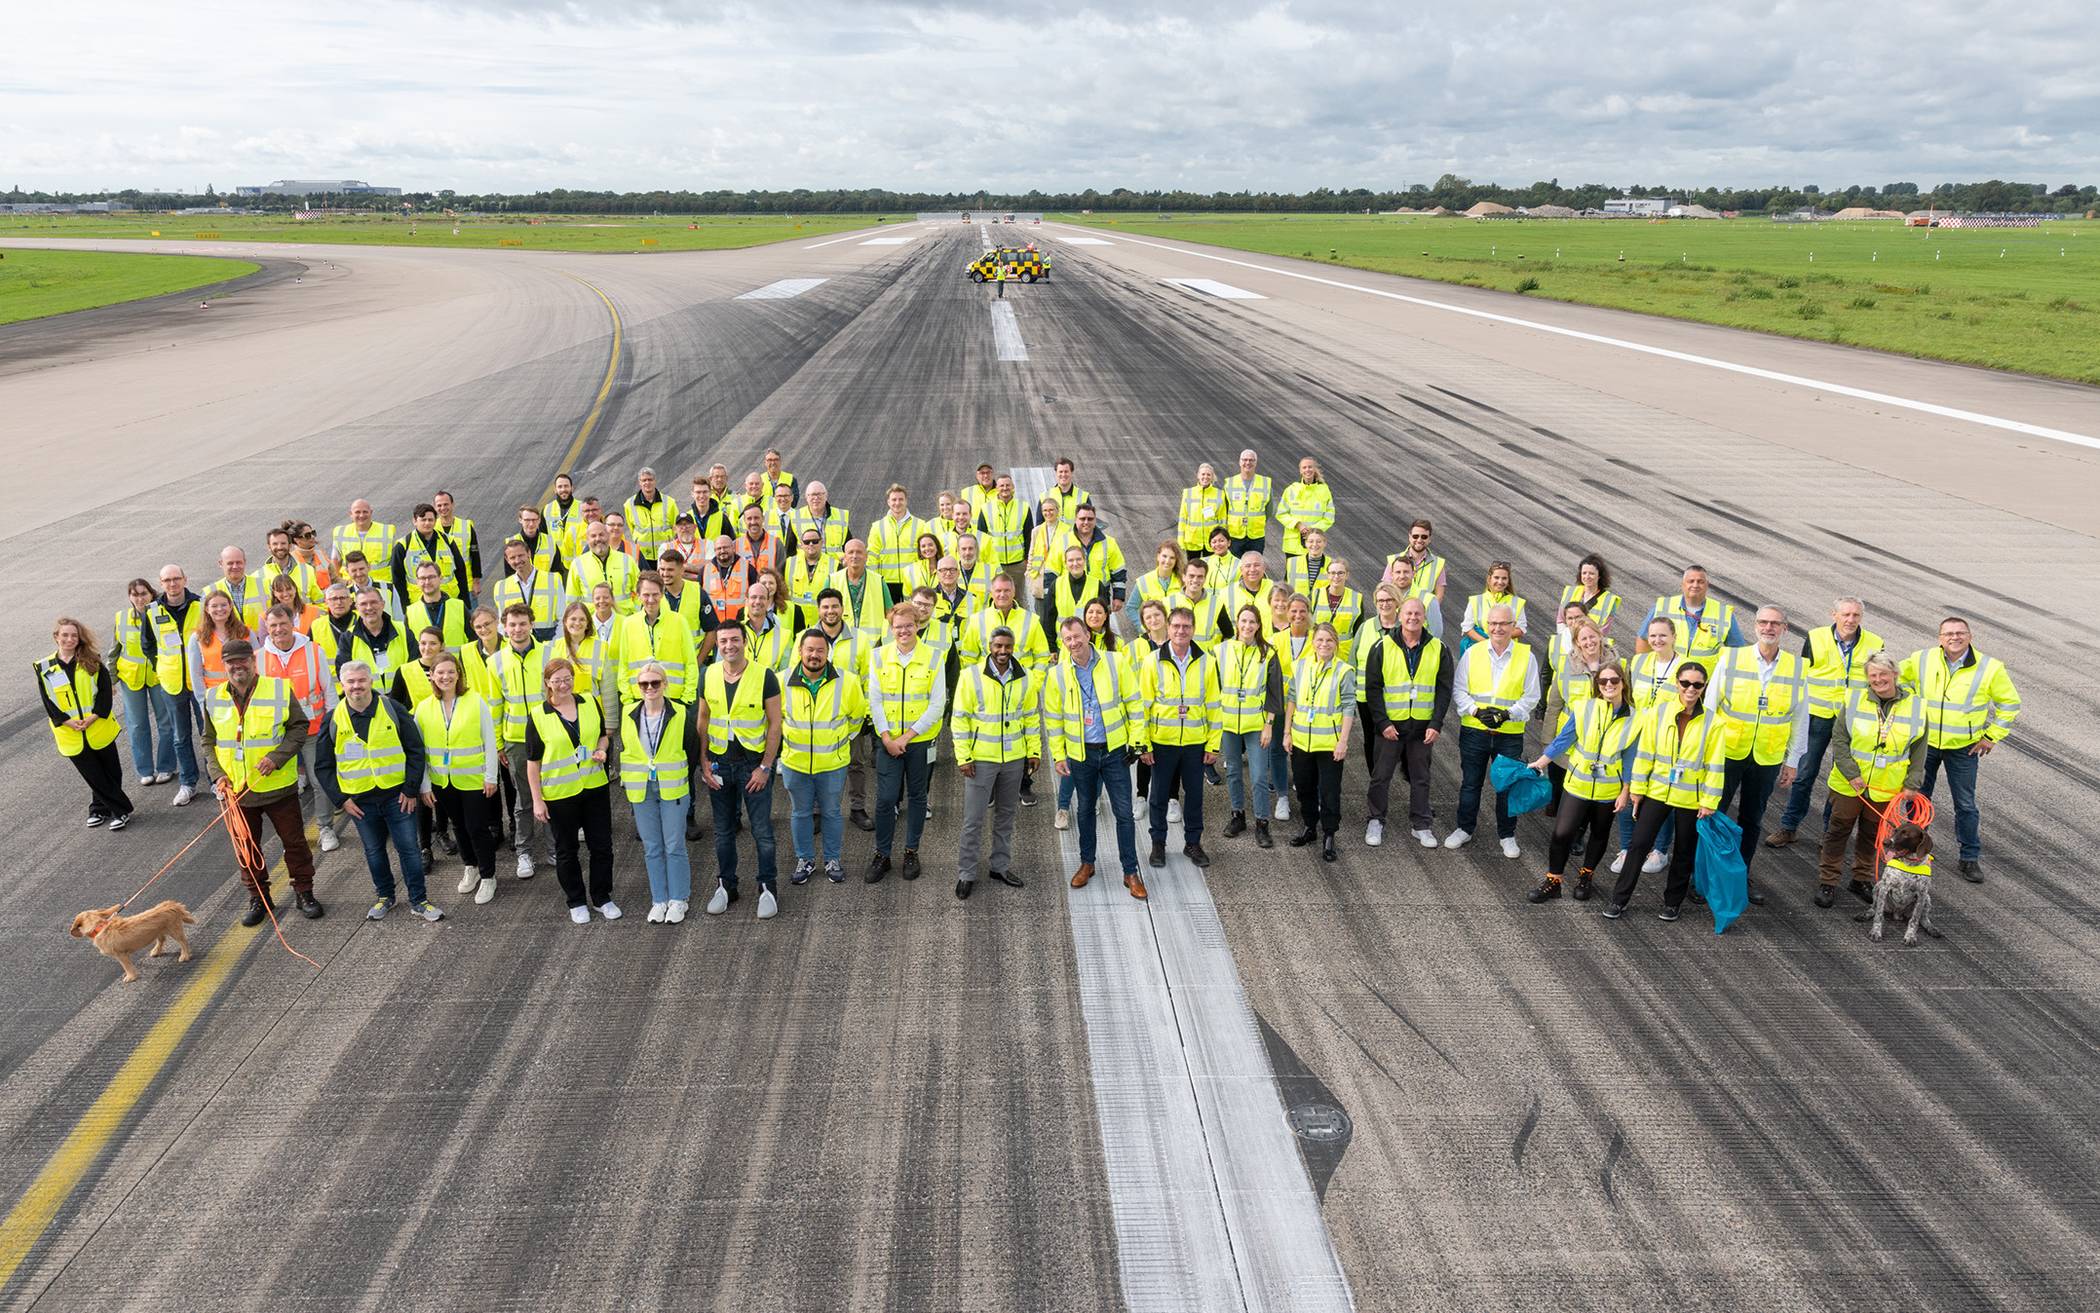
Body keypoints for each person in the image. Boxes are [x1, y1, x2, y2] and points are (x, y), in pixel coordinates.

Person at [200, 640, 321, 924]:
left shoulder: (278, 689)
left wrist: (276, 757)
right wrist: (218, 775)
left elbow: (299, 727)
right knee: (246, 849)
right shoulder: (213, 697)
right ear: (224, 665)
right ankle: (259, 898)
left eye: (243, 660)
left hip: (277, 787)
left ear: (253, 662)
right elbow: (208, 740)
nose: (237, 666)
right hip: (237, 792)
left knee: (294, 843)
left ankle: (304, 892)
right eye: (231, 662)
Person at [316, 661, 442, 923]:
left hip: (397, 797)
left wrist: (410, 790)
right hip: (360, 802)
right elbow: (324, 766)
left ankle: (419, 901)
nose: (356, 686)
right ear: (342, 684)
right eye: (350, 681)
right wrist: (342, 799)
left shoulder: (392, 709)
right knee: (374, 852)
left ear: (370, 681)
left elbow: (415, 751)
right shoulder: (333, 719)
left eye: (361, 680)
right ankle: (385, 897)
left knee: (409, 849)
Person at [1900, 617, 2021, 882]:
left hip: (1963, 748)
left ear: (1970, 636)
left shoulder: (1990, 667)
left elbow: (2010, 704)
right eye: (1948, 633)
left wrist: (1991, 736)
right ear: (1939, 637)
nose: (1954, 637)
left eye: (1960, 633)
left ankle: (1969, 858)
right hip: (1925, 744)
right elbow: (1899, 680)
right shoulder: (1922, 659)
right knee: (1918, 801)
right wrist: (1913, 706)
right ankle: (1913, 853)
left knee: (1965, 804)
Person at [1605, 659, 1724, 922]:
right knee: (1638, 845)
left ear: (1704, 688)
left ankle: (1672, 903)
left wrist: (1709, 801)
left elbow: (1715, 765)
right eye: (1685, 683)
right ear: (1676, 683)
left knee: (1684, 851)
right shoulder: (1657, 714)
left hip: (1691, 798)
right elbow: (1644, 754)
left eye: (1697, 685)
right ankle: (1619, 900)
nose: (1690, 689)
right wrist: (1637, 789)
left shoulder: (1713, 723)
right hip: (1657, 792)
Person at [1708, 606, 1808, 905]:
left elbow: (1800, 718)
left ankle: (1740, 875)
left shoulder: (1797, 667)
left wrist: (1793, 760)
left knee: (1752, 820)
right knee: (1713, 814)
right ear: (1754, 627)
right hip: (1727, 752)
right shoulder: (1731, 657)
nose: (1769, 628)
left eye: (1775, 624)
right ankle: (1706, 876)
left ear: (1785, 629)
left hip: (1767, 756)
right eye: (1763, 622)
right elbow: (1711, 707)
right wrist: (1705, 752)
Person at [1768, 597, 1883, 849]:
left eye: (1855, 615)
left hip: (1851, 719)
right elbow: (1803, 674)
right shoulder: (1816, 637)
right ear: (1834, 615)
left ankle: (1829, 833)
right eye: (1846, 615)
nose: (1850, 620)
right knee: (1804, 774)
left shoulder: (1875, 643)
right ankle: (1789, 827)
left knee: (1840, 777)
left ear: (1861, 618)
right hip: (1817, 715)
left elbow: (1877, 679)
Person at [1047, 616, 1147, 899]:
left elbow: (1134, 703)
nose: (1074, 643)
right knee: (1085, 810)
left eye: (1077, 636)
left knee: (1123, 813)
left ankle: (1130, 871)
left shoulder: (1115, 662)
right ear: (1063, 643)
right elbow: (1053, 719)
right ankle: (1087, 863)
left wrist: (1137, 742)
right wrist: (1058, 754)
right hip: (1082, 755)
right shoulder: (1057, 675)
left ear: (1088, 635)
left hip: (1114, 751)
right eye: (1067, 639)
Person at [1816, 652, 1926, 908]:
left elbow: (1920, 748)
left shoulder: (1917, 705)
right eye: (1873, 675)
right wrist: (1850, 772)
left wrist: (1913, 782)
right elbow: (1840, 739)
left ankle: (1861, 878)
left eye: (1883, 674)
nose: (1878, 680)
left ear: (1895, 675)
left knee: (1872, 834)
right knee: (1837, 831)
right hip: (1849, 784)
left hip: (1886, 786)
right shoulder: (1854, 699)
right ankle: (1828, 881)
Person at [1528, 663, 1636, 904]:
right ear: (1597, 685)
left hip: (1609, 789)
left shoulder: (1635, 718)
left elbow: (1630, 757)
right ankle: (1553, 880)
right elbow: (1563, 740)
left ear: (1623, 683)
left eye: (1614, 680)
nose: (1609, 684)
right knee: (1561, 832)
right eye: (1603, 681)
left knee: (1599, 833)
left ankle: (1586, 876)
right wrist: (1541, 762)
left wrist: (1626, 791)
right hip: (1578, 783)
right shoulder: (1585, 708)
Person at [697, 626, 784, 918]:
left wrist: (765, 767)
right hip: (719, 765)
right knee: (723, 832)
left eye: (735, 639)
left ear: (744, 642)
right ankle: (726, 885)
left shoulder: (765, 676)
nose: (729, 645)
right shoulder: (708, 674)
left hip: (753, 766)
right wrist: (704, 761)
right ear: (717, 645)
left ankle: (767, 887)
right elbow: (703, 719)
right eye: (723, 641)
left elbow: (775, 724)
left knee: (762, 832)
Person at [527, 657, 619, 924]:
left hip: (594, 787)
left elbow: (603, 735)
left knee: (602, 846)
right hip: (560, 794)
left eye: (567, 679)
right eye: (557, 681)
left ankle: (602, 897)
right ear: (547, 683)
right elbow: (533, 764)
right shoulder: (538, 715)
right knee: (566, 850)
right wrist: (537, 801)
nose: (563, 684)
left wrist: (602, 749)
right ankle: (576, 901)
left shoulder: (589, 701)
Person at [1447, 603, 1540, 859]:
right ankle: (1464, 828)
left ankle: (1507, 835)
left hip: (1509, 733)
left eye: (1503, 624)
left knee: (1506, 786)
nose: (1498, 628)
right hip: (1475, 731)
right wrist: (1476, 712)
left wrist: (1508, 714)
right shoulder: (1473, 653)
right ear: (1487, 625)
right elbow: (1459, 690)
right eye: (1493, 623)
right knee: (1470, 784)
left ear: (1513, 627)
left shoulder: (1526, 656)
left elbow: (1532, 696)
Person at [953, 625, 1039, 897]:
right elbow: (960, 719)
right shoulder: (971, 676)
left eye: (1008, 646)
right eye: (998, 646)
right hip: (980, 760)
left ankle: (999, 867)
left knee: (1006, 817)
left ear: (1013, 648)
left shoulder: (1025, 678)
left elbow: (1031, 717)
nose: (1003, 651)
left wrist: (1033, 751)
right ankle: (966, 873)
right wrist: (964, 756)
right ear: (990, 647)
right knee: (973, 820)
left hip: (1013, 759)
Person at [619, 660, 705, 923]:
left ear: (665, 684)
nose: (650, 688)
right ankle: (659, 900)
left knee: (674, 845)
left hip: (673, 789)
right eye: (644, 684)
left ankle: (679, 899)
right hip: (641, 789)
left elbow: (692, 749)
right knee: (652, 847)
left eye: (655, 683)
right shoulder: (628, 714)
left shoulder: (680, 713)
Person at [415, 651, 502, 907]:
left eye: (450, 672)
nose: (445, 677)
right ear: (432, 676)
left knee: (477, 827)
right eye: (440, 672)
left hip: (474, 779)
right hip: (443, 781)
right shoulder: (423, 708)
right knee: (458, 826)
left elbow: (489, 740)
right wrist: (425, 785)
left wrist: (491, 776)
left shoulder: (475, 702)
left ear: (458, 674)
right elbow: (420, 751)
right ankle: (470, 866)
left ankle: (488, 875)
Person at [865, 604, 944, 883]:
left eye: (908, 625)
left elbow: (937, 704)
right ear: (891, 628)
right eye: (898, 626)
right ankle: (882, 854)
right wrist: (886, 737)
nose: (903, 631)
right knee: (886, 799)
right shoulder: (877, 657)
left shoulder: (935, 657)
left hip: (919, 742)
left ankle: (911, 851)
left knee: (918, 797)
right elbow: (874, 700)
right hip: (888, 742)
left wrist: (906, 737)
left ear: (918, 625)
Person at [1364, 594, 1451, 849]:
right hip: (1390, 726)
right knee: (1381, 776)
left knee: (1420, 777)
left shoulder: (1439, 648)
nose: (1413, 618)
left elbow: (1444, 689)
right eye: (1408, 614)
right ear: (1400, 616)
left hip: (1422, 727)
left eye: (1417, 614)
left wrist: (1436, 723)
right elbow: (1373, 688)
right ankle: (1376, 820)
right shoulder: (1381, 646)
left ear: (1425, 618)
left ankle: (1421, 824)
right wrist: (1382, 723)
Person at [781, 628, 866, 886]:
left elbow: (857, 717)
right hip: (795, 764)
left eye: (820, 650)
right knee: (800, 813)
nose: (815, 655)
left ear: (828, 652)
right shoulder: (781, 680)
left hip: (833, 764)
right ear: (800, 651)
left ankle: (832, 859)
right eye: (810, 650)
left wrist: (838, 744)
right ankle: (805, 860)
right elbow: (774, 720)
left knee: (831, 813)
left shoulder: (848, 681)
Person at [1140, 606, 1221, 868]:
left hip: (1195, 742)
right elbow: (1143, 706)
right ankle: (1158, 844)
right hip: (1163, 741)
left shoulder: (1207, 661)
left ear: (1193, 630)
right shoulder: (1152, 661)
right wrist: (1143, 743)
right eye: (1176, 626)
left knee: (1195, 796)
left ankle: (1193, 844)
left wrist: (1214, 744)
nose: (1180, 631)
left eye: (1186, 626)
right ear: (1168, 627)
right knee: (1159, 796)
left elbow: (1214, 706)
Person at [39, 617, 133, 830]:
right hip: (70, 731)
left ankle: (99, 808)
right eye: (65, 635)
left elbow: (105, 693)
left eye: (74, 635)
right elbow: (47, 700)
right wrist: (66, 721)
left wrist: (94, 716)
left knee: (111, 771)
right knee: (93, 774)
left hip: (97, 726)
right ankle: (120, 810)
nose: (69, 639)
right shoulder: (44, 667)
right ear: (56, 637)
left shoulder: (93, 660)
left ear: (79, 638)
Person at [491, 603, 553, 879]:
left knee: (552, 793)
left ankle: (555, 848)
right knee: (523, 800)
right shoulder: (495, 661)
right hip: (516, 739)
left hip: (549, 735)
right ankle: (524, 852)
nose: (517, 629)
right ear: (504, 627)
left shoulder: (549, 654)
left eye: (522, 623)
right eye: (512, 624)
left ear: (531, 624)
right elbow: (495, 704)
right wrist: (498, 743)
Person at [1283, 621, 1354, 860]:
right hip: (1302, 740)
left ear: (1336, 644)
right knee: (1304, 787)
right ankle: (1310, 826)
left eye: (1329, 640)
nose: (1324, 644)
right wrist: (1287, 732)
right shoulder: (1300, 667)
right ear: (1313, 643)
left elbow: (1348, 707)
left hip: (1329, 743)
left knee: (1330, 791)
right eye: (1320, 640)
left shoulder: (1344, 671)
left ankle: (1329, 834)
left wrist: (1343, 741)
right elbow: (1291, 699)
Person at [1216, 604, 1283, 848]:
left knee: (1258, 777)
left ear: (1258, 625)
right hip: (1229, 723)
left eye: (1252, 622)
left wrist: (1269, 725)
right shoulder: (1221, 651)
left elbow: (1275, 695)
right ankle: (1237, 816)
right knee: (1233, 771)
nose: (1247, 626)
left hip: (1257, 724)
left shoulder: (1269, 653)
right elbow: (1214, 689)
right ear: (1236, 623)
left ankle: (1262, 823)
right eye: (1243, 621)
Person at [113, 580, 181, 792]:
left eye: (143, 594)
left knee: (166, 722)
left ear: (151, 594)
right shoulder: (121, 617)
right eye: (135, 595)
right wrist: (111, 678)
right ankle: (145, 771)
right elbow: (114, 649)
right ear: (130, 597)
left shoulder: (161, 614)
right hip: (131, 677)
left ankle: (166, 766)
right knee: (136, 725)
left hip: (158, 675)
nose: (139, 598)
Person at [151, 563, 206, 799]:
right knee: (180, 736)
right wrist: (162, 669)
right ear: (161, 584)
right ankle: (188, 782)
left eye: (176, 578)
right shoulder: (153, 611)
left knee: (207, 733)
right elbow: (148, 645)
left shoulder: (200, 604)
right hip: (172, 683)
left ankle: (216, 780)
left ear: (185, 579)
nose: (172, 584)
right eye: (167, 580)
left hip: (200, 681)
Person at [619, 573, 699, 705]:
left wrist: (687, 698)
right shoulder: (629, 624)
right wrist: (628, 700)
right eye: (646, 595)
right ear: (638, 596)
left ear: (662, 594)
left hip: (674, 698)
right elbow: (623, 665)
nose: (651, 599)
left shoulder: (679, 621)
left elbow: (690, 662)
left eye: (655, 594)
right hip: (639, 698)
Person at [1640, 565, 1744, 666]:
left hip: (1705, 681)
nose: (1695, 585)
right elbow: (1643, 639)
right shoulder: (1662, 607)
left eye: (1700, 582)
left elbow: (1737, 651)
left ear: (1707, 585)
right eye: (1691, 581)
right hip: (1666, 678)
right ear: (1683, 584)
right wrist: (1646, 668)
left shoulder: (1724, 613)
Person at [391, 503, 471, 602]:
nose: (427, 523)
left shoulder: (448, 541)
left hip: (449, 600)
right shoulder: (402, 546)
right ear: (415, 521)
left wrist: (465, 600)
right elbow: (397, 579)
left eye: (430, 520)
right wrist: (404, 605)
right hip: (418, 603)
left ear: (435, 521)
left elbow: (460, 571)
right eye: (423, 520)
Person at [341, 587, 410, 700]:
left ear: (382, 604)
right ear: (357, 607)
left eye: (373, 602)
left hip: (403, 702)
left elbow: (414, 665)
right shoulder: (348, 637)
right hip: (366, 704)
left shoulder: (403, 631)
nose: (369, 607)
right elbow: (345, 674)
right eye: (363, 604)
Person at [185, 589, 249, 711]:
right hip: (216, 698)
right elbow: (196, 674)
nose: (220, 609)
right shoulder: (197, 638)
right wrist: (202, 704)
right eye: (214, 606)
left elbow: (258, 665)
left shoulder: (245, 632)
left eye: (223, 605)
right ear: (207, 609)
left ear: (230, 607)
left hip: (245, 695)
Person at [492, 537, 564, 640]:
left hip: (548, 642)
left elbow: (563, 617)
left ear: (529, 554)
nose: (517, 560)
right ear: (507, 560)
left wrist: (555, 644)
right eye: (512, 558)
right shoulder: (501, 587)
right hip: (517, 645)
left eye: (520, 555)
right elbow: (502, 624)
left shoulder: (553, 580)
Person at [829, 538, 893, 648]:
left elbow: (890, 614)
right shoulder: (832, 580)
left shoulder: (879, 581)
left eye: (859, 552)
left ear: (866, 556)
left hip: (873, 645)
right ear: (845, 556)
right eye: (850, 552)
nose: (855, 556)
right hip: (841, 643)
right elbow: (824, 612)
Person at [570, 521, 639, 619]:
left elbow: (640, 592)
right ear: (587, 539)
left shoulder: (627, 560)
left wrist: (635, 614)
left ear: (608, 536)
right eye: (593, 536)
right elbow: (572, 600)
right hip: (592, 624)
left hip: (624, 622)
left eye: (601, 534)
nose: (598, 539)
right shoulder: (577, 564)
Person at [1065, 505, 1128, 611]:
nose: (1086, 522)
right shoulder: (1063, 541)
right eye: (1082, 519)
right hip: (1071, 597)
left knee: (1100, 627)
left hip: (1101, 597)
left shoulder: (1109, 543)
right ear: (1075, 520)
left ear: (1095, 520)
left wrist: (1118, 597)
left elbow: (1118, 571)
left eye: (1090, 519)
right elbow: (1052, 571)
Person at [1275, 456, 1335, 567]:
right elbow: (1281, 513)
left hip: (1314, 544)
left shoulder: (1324, 490)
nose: (1307, 470)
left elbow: (1329, 516)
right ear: (1300, 470)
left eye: (1310, 467)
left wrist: (1313, 530)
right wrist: (1298, 525)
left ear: (1315, 469)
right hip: (1293, 544)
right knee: (1291, 578)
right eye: (1304, 467)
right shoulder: (1291, 490)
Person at [975, 472, 1031, 582]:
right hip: (994, 563)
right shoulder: (986, 508)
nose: (1005, 488)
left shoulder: (1023, 507)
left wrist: (1027, 558)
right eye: (1001, 485)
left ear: (1013, 487)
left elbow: (1029, 534)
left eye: (1008, 485)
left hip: (1017, 564)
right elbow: (981, 536)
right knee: (996, 596)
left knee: (1017, 596)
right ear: (996, 488)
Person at [404, 560, 471, 651]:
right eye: (422, 578)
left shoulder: (459, 606)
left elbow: (473, 640)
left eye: (431, 577)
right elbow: (408, 648)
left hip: (455, 664)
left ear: (440, 578)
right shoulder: (411, 612)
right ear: (417, 581)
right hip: (426, 665)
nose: (427, 582)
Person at [1460, 561, 1528, 650]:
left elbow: (1521, 629)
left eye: (1504, 578)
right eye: (1496, 577)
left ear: (1508, 581)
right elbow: (1467, 627)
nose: (1500, 582)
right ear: (1489, 579)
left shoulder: (1517, 602)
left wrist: (1499, 640)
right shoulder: (1475, 601)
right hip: (1480, 650)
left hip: (1507, 651)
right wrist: (1488, 644)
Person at [331, 499, 397, 589]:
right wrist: (339, 581)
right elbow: (335, 560)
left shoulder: (387, 531)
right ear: (351, 514)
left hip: (380, 586)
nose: (361, 515)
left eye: (365, 512)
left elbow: (397, 561)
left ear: (371, 512)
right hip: (351, 587)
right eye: (357, 512)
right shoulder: (340, 532)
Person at [868, 484, 921, 594]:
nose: (897, 503)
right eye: (894, 499)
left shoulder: (920, 525)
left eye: (901, 499)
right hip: (886, 583)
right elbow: (872, 556)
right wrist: (873, 581)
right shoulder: (877, 527)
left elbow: (924, 555)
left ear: (906, 501)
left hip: (913, 581)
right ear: (888, 502)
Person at [1558, 554, 1621, 641]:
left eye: (1591, 573)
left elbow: (1603, 631)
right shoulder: (1570, 592)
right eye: (1584, 573)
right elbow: (1560, 620)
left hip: (1591, 643)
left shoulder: (1609, 600)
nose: (1587, 577)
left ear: (1599, 576)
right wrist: (1568, 640)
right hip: (1568, 640)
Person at [1128, 541, 1185, 634]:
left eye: (1172, 558)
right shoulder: (1144, 581)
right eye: (1164, 556)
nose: (1167, 561)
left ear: (1176, 561)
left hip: (1177, 634)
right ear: (1158, 556)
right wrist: (1143, 628)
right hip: (1153, 636)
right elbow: (1131, 608)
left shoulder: (1183, 581)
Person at [1223, 449, 1271, 558]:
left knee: (1254, 567)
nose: (1248, 463)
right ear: (1239, 462)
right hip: (1235, 535)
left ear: (1256, 463)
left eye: (1251, 460)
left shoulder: (1265, 483)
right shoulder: (1229, 483)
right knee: (1235, 569)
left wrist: (1256, 521)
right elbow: (1225, 507)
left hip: (1256, 535)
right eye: (1245, 460)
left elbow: (1269, 509)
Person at [432, 490, 481, 598]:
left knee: (470, 615)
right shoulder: (432, 529)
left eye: (446, 504)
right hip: (442, 588)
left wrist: (476, 581)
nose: (443, 508)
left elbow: (475, 554)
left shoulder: (466, 526)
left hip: (466, 584)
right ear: (435, 507)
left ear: (452, 504)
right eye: (439, 505)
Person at [624, 466, 678, 559]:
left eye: (650, 480)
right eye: (644, 480)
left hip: (665, 553)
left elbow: (676, 527)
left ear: (655, 481)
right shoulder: (629, 504)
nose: (647, 483)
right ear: (639, 482)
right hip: (641, 555)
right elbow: (632, 528)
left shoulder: (670, 502)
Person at [1024, 494, 1069, 598]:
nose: (1048, 513)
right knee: (1041, 611)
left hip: (1059, 576)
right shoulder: (1037, 531)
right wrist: (1029, 574)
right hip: (1039, 578)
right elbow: (1031, 553)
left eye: (1051, 510)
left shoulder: (1067, 531)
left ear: (1058, 511)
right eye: (1045, 510)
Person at [1177, 464, 1226, 556]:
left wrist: (1222, 539)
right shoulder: (1188, 493)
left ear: (1212, 477)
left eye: (1208, 475)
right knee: (1194, 568)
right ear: (1198, 476)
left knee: (1211, 569)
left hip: (1212, 540)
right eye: (1203, 474)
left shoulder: (1220, 494)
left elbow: (1222, 519)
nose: (1205, 477)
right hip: (1192, 540)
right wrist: (1180, 538)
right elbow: (1183, 517)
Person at [795, 481, 851, 556]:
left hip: (834, 565)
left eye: (819, 494)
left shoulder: (840, 516)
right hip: (806, 566)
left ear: (826, 496)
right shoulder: (795, 517)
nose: (816, 498)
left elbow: (849, 545)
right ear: (806, 497)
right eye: (812, 495)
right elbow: (790, 549)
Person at [1286, 528, 1331, 597]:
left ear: (1325, 543)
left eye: (1319, 541)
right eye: (1311, 541)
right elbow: (1288, 589)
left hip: (1321, 606)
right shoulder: (1292, 562)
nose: (1315, 544)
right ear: (1306, 543)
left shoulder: (1332, 564)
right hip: (1298, 605)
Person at [1048, 457, 1091, 524]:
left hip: (1075, 534)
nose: (1063, 475)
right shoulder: (1046, 496)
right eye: (1060, 472)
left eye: (1066, 471)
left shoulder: (1083, 497)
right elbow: (1039, 527)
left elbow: (1090, 523)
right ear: (1056, 473)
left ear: (1071, 473)